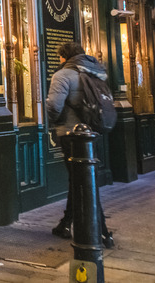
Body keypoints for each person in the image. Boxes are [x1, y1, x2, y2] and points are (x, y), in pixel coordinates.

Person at [46, 41, 114, 248]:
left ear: (64, 57)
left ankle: (102, 232)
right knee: (81, 179)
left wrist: (50, 121)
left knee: (82, 182)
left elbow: (54, 106)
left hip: (71, 134)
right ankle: (66, 223)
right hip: (93, 132)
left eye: (60, 56)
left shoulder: (63, 75)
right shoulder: (96, 73)